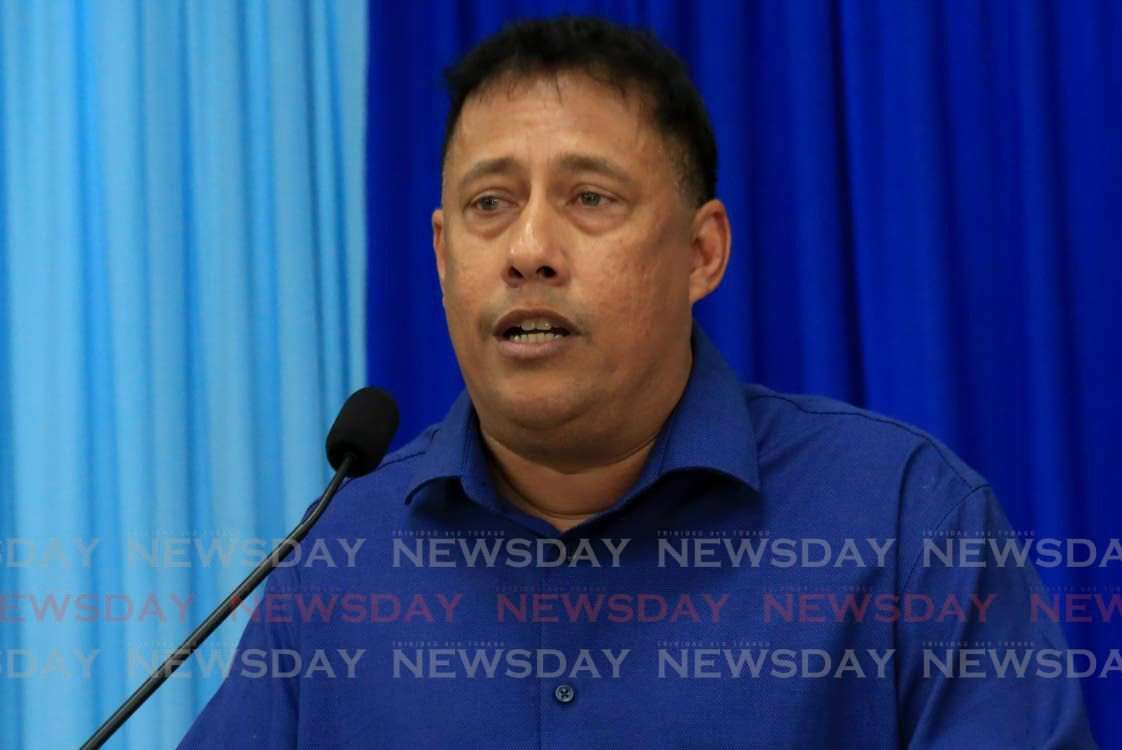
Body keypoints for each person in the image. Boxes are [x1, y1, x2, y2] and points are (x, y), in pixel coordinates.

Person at [180, 16, 1098, 748]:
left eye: (590, 198)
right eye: (490, 204)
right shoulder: (339, 564)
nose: (529, 250)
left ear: (702, 253)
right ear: (442, 254)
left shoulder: (903, 526)